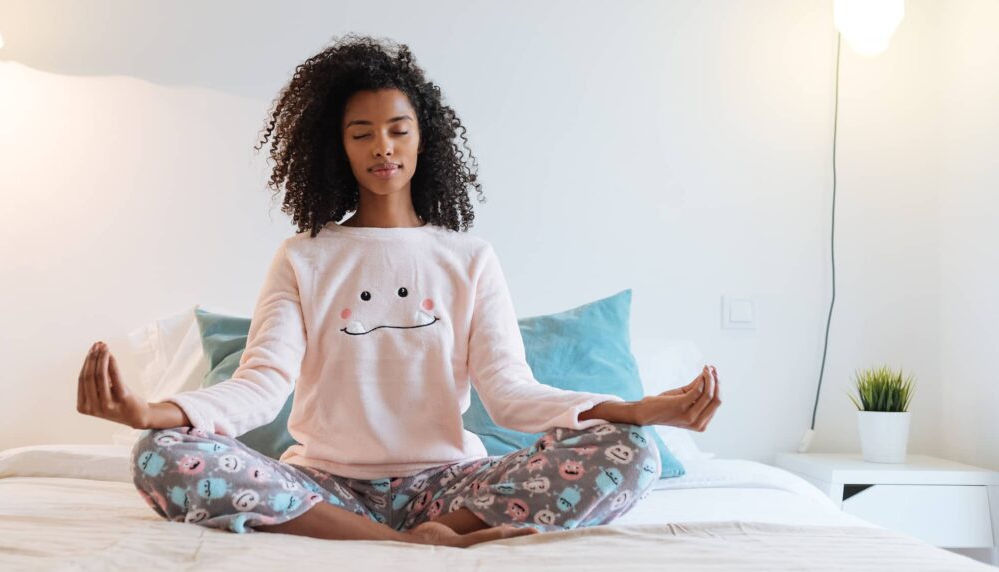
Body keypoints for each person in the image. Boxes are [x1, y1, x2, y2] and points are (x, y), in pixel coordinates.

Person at [76, 34, 722, 549]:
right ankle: (402, 543)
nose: (382, 147)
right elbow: (260, 386)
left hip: (450, 486)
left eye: (397, 128)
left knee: (632, 453)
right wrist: (151, 412)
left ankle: (443, 531)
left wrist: (636, 412)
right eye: (362, 133)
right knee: (159, 456)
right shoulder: (304, 257)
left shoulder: (469, 257)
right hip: (322, 487)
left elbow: (512, 395)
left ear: (423, 136)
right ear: (338, 149)